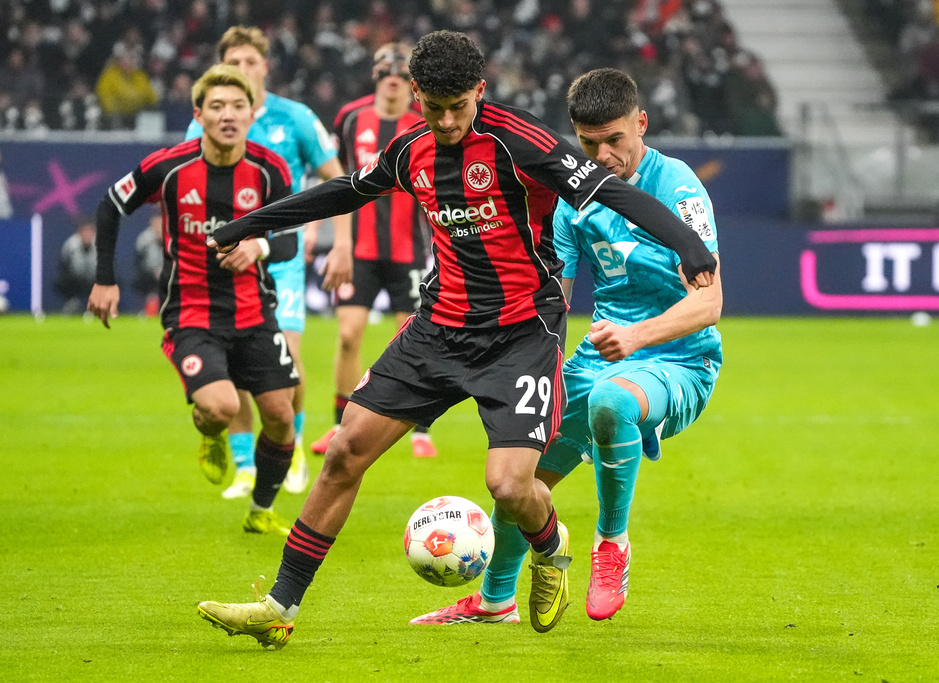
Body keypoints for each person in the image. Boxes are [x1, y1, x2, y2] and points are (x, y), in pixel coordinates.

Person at [196, 30, 716, 649]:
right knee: (343, 453)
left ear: (480, 91)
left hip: (523, 332)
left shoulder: (523, 141)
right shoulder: (409, 149)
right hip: (438, 329)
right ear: (416, 94)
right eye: (432, 106)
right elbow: (340, 192)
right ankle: (279, 606)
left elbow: (613, 192)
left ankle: (551, 548)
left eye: (458, 107)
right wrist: (248, 224)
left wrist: (691, 246)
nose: (444, 121)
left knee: (509, 485)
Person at [410, 67, 723, 626]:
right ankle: (494, 600)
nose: (602, 156)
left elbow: (709, 303)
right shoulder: (573, 199)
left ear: (641, 124)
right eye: (589, 143)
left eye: (615, 140)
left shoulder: (677, 186)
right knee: (518, 483)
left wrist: (635, 335)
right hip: (599, 357)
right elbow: (553, 297)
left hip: (681, 358)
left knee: (612, 403)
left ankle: (611, 545)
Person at [87, 64, 300, 536]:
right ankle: (211, 437)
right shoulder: (168, 167)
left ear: (252, 114)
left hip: (254, 311)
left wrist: (258, 245)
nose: (229, 115)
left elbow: (290, 239)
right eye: (218, 107)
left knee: (282, 417)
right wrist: (105, 278)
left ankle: (261, 510)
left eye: (238, 107)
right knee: (221, 408)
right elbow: (110, 203)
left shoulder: (270, 169)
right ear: (199, 114)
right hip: (191, 314)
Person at [186, 26, 348, 500]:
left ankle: (290, 447)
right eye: (233, 63)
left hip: (280, 254)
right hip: (224, 260)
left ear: (264, 67)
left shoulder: (293, 117)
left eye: (251, 62)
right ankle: (242, 465)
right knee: (232, 364)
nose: (243, 71)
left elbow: (336, 180)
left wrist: (341, 244)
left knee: (289, 358)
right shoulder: (203, 123)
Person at [309, 42, 438, 460]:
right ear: (377, 77)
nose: (392, 81)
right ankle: (337, 421)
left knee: (415, 337)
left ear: (411, 84)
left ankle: (420, 427)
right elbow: (332, 177)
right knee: (348, 336)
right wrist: (317, 229)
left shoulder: (424, 120)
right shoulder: (350, 118)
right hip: (358, 248)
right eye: (386, 74)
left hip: (408, 248)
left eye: (400, 76)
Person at [54, 216, 98, 314]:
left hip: (95, 279)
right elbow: (63, 267)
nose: (87, 235)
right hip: (76, 280)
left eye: (89, 231)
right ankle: (72, 303)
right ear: (79, 233)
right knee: (61, 281)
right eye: (84, 231)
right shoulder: (70, 245)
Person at [133, 210, 163, 317]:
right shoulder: (144, 240)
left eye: (161, 223)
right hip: (148, 277)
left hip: (168, 274)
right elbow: (138, 264)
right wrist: (152, 272)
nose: (159, 227)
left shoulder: (173, 237)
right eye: (156, 223)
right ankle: (149, 305)